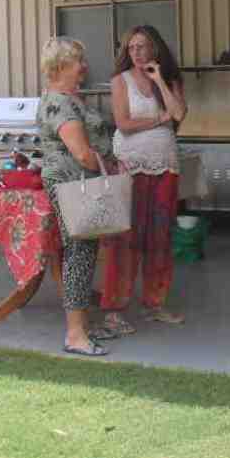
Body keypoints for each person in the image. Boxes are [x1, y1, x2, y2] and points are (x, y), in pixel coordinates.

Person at [100, 25, 188, 334]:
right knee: (125, 239)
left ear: (155, 49)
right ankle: (114, 309)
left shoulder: (169, 79)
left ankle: (155, 303)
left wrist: (159, 79)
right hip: (130, 166)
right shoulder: (119, 81)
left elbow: (178, 114)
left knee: (160, 237)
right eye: (132, 47)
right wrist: (158, 119)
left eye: (143, 47)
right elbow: (123, 124)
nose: (137, 52)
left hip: (165, 165)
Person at [39, 36, 123, 356]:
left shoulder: (69, 98)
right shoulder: (60, 103)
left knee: (84, 253)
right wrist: (108, 169)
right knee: (79, 253)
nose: (84, 67)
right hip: (74, 184)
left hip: (80, 184)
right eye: (78, 62)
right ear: (60, 66)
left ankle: (83, 325)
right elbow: (82, 154)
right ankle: (75, 334)